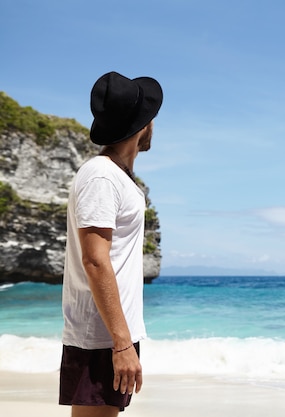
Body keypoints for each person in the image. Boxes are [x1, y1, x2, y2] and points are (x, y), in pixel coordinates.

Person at [59, 71, 163, 416]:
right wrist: (120, 344)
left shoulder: (116, 177)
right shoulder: (102, 176)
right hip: (101, 338)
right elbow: (95, 260)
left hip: (110, 333)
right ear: (142, 127)